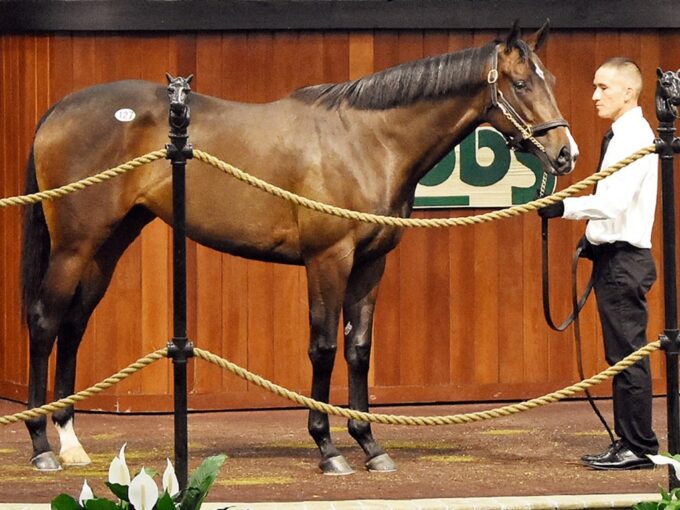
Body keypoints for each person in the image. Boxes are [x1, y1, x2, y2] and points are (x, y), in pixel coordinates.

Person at [539, 57, 659, 470]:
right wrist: (592, 239)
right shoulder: (623, 135)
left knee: (627, 355)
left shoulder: (634, 137)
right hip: (615, 258)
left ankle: (639, 446)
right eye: (595, 86)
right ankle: (631, 440)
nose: (595, 95)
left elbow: (613, 202)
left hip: (625, 261)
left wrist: (564, 207)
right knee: (620, 354)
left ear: (628, 91)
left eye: (604, 87)